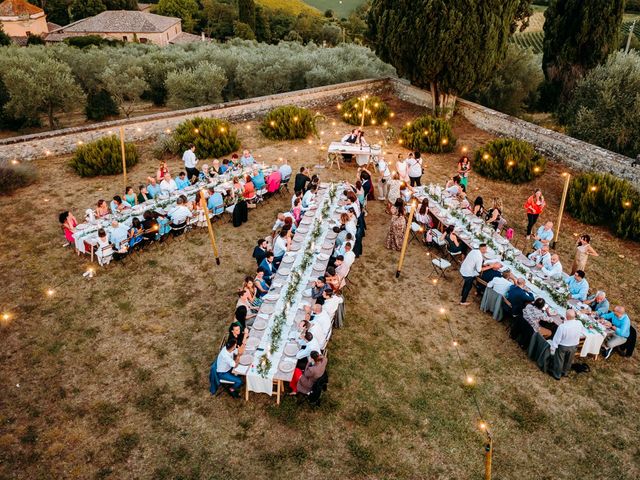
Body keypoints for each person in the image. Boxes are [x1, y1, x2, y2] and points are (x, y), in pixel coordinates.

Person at [548, 309, 582, 379]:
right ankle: (565, 372)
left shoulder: (562, 327)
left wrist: (553, 348)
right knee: (568, 360)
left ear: (566, 316)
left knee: (559, 360)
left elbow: (557, 339)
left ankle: (557, 374)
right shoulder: (579, 323)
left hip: (563, 346)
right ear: (575, 316)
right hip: (574, 345)